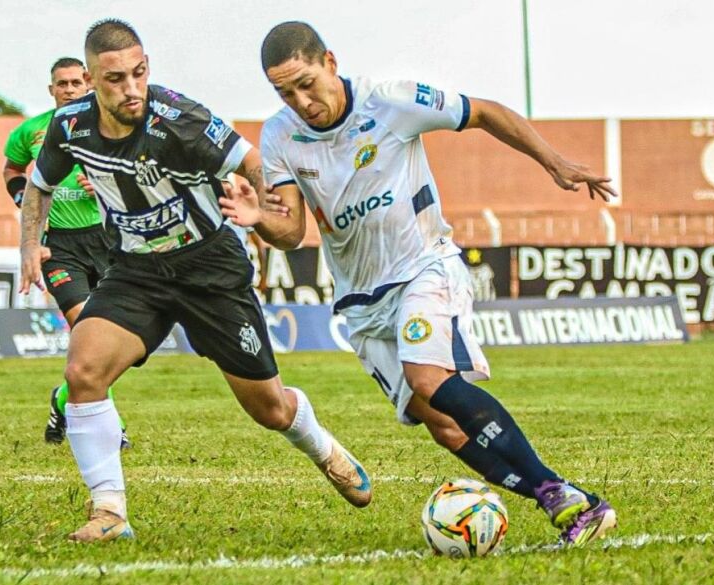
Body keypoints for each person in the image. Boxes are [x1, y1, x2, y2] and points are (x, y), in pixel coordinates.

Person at [220, 21, 618, 548]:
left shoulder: (391, 102)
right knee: (442, 425)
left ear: (330, 63)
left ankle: (556, 492)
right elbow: (292, 232)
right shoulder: (279, 135)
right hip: (362, 305)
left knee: (428, 377)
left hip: (424, 266)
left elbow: (486, 112)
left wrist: (555, 162)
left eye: (306, 83)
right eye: (285, 92)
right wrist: (259, 219)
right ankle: (571, 500)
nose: (301, 101)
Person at [18, 19, 372, 543]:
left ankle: (322, 446)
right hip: (136, 272)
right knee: (83, 370)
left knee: (269, 409)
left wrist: (265, 207)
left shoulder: (180, 119)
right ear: (91, 80)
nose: (132, 88)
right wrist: (30, 243)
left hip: (210, 270)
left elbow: (252, 161)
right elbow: (38, 184)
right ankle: (110, 512)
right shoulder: (69, 127)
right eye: (115, 79)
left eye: (139, 73)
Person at [3, 57, 130, 449]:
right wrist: (26, 199)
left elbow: (135, 169)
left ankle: (63, 398)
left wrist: (111, 184)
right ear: (51, 89)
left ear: (89, 84)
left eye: (77, 83)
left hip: (108, 240)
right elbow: (12, 170)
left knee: (115, 341)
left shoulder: (110, 125)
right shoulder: (32, 130)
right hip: (58, 246)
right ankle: (112, 429)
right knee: (90, 332)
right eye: (63, 84)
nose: (70, 89)